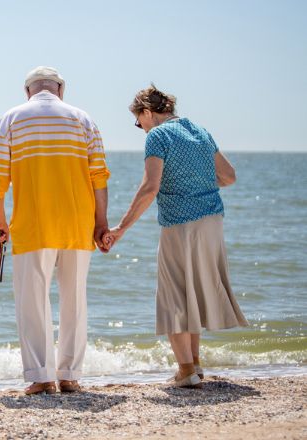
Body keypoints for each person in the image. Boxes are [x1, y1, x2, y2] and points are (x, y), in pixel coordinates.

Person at [104, 84, 248, 388]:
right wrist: (196, 183)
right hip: (212, 221)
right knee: (191, 294)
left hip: (181, 224)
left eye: (138, 121)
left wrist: (120, 228)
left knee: (173, 296)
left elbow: (149, 187)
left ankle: (185, 371)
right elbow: (228, 176)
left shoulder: (158, 136)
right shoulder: (198, 129)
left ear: (147, 112)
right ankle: (193, 365)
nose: (140, 128)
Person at [0, 66, 110, 395]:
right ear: (60, 90)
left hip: (32, 224)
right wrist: (101, 223)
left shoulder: (11, 119)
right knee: (75, 299)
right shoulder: (83, 120)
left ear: (28, 91)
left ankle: (42, 376)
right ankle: (69, 375)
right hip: (77, 223)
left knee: (32, 301)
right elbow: (99, 178)